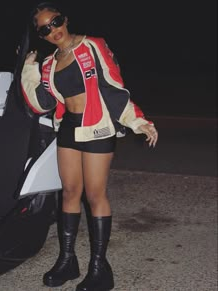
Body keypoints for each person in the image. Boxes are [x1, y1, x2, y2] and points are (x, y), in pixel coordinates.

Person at [19, 1, 158, 290]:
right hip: (68, 128)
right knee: (69, 193)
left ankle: (99, 267)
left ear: (65, 20)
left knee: (95, 195)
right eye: (45, 29)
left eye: (55, 22)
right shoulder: (50, 63)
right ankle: (68, 260)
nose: (53, 30)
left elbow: (112, 86)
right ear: (41, 35)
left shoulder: (93, 46)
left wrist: (137, 121)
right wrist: (29, 68)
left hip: (96, 128)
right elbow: (41, 104)